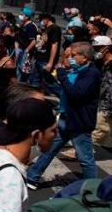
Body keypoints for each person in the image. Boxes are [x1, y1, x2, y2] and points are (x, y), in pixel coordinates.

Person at [27, 42, 101, 189]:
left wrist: (62, 76)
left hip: (79, 123)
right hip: (66, 119)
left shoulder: (91, 74)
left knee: (85, 158)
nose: (70, 59)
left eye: (74, 56)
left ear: (85, 58)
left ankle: (92, 188)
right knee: (49, 149)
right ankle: (32, 177)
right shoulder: (76, 70)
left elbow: (76, 94)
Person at [93, 36, 112, 148]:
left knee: (100, 128)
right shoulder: (102, 64)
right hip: (103, 101)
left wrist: (107, 107)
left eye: (98, 48)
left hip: (107, 105)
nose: (96, 51)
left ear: (107, 48)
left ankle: (80, 151)